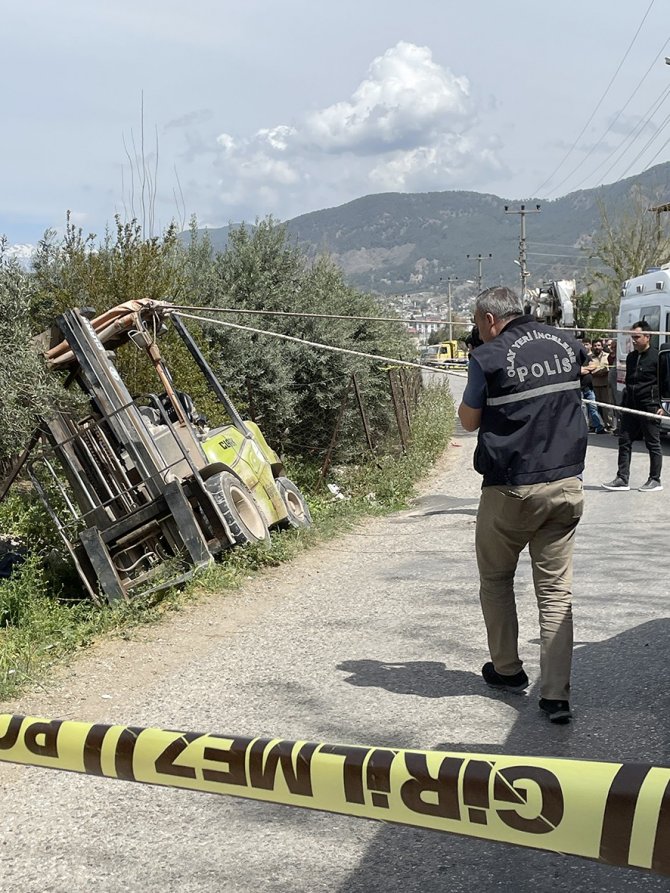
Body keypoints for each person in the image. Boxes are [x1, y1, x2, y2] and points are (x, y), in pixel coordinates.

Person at [458, 286, 588, 724]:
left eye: (478, 325)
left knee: (496, 580)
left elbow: (468, 420)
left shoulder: (487, 357)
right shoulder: (568, 345)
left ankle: (509, 672)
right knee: (555, 593)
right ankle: (555, 697)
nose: (479, 333)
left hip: (510, 489)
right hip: (566, 484)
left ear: (491, 320)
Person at [602, 320, 665, 492]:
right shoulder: (631, 357)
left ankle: (655, 479)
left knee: (653, 443)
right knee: (624, 441)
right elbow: (630, 382)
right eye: (632, 337)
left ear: (648, 336)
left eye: (637, 337)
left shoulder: (657, 357)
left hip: (650, 406)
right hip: (630, 406)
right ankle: (622, 478)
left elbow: (667, 383)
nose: (634, 340)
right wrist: (623, 404)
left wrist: (663, 405)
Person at [579, 339, 606, 434]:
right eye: (583, 344)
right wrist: (586, 369)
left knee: (593, 408)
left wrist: (585, 369)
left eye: (587, 344)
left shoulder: (588, 357)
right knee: (583, 410)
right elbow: (579, 371)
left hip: (589, 388)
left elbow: (593, 366)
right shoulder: (576, 357)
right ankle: (584, 429)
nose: (585, 346)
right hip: (580, 388)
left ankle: (598, 427)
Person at [589, 337, 613, 430]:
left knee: (606, 406)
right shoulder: (589, 357)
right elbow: (589, 370)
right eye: (595, 346)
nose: (597, 347)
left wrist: (596, 371)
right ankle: (593, 425)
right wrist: (600, 370)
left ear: (602, 346)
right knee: (593, 406)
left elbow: (607, 369)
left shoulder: (607, 356)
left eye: (598, 345)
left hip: (605, 385)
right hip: (594, 385)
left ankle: (608, 424)